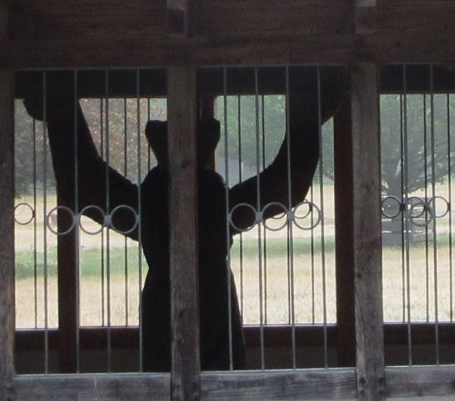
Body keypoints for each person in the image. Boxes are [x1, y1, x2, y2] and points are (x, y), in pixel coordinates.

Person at [26, 77, 329, 373]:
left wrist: (60, 109)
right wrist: (308, 108)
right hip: (203, 307)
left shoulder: (150, 208)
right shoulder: (212, 207)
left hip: (178, 305)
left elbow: (83, 183)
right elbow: (288, 182)